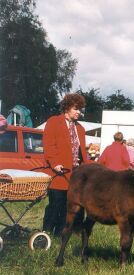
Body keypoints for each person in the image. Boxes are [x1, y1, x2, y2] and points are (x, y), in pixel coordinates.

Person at [42, 93, 89, 236]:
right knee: (56, 205)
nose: (78, 112)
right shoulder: (53, 122)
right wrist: (55, 163)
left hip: (75, 175)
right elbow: (49, 146)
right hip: (59, 173)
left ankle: (61, 233)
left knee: (69, 207)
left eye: (80, 109)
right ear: (67, 107)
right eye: (76, 109)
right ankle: (46, 232)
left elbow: (82, 153)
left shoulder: (80, 128)